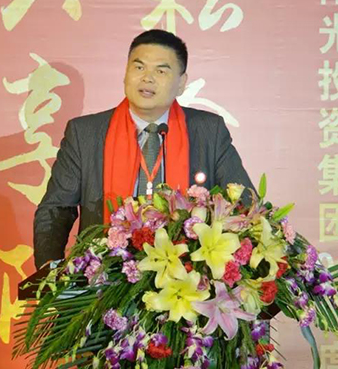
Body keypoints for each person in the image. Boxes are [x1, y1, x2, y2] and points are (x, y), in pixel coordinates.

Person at [34, 29, 256, 269]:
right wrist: (50, 272)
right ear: (125, 73)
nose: (147, 78)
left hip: (186, 277)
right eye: (139, 67)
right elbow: (56, 210)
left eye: (160, 71)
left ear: (181, 83)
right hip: (102, 278)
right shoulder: (85, 133)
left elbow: (245, 205)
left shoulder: (208, 131)